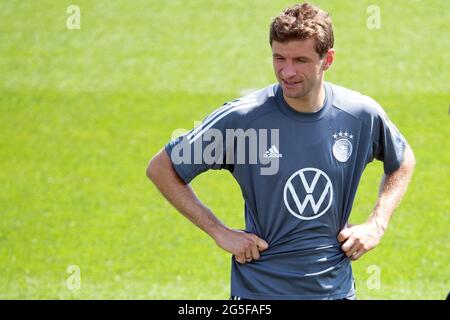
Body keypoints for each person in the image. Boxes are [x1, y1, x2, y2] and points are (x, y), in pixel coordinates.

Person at [147, 2, 415, 300]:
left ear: (327, 59)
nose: (287, 71)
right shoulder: (245, 120)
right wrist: (219, 231)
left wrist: (377, 223)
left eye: (300, 60)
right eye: (279, 58)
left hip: (335, 291)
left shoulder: (359, 115)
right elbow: (162, 168)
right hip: (259, 293)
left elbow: (402, 160)